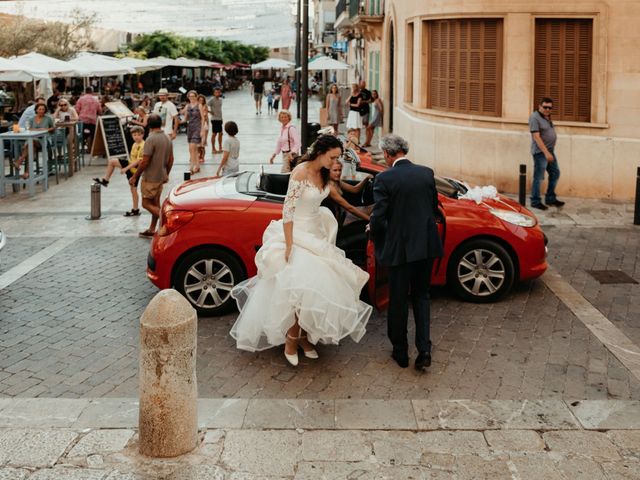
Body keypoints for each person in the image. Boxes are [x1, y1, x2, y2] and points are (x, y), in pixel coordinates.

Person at [230, 135, 372, 366]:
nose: (336, 162)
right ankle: (291, 339)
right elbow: (288, 212)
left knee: (315, 290)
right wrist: (288, 245)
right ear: (321, 152)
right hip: (296, 235)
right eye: (333, 157)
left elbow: (342, 197)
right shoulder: (300, 172)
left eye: (338, 157)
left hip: (317, 234)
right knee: (300, 291)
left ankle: (305, 338)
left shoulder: (326, 174)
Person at [369, 134, 443, 371]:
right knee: (422, 297)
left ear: (389, 155)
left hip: (400, 250)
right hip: (426, 246)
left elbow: (379, 217)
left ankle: (400, 352)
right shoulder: (426, 173)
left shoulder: (384, 178)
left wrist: (375, 233)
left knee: (398, 300)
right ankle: (424, 350)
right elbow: (432, 208)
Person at [129, 114, 174, 238]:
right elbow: (171, 160)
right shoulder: (167, 138)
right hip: (160, 176)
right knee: (155, 203)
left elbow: (145, 161)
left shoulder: (150, 139)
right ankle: (152, 228)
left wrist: (135, 176)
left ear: (149, 125)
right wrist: (166, 174)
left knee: (146, 204)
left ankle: (168, 222)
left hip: (150, 177)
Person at [93, 126, 145, 217]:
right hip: (130, 165)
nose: (136, 137)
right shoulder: (134, 144)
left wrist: (126, 168)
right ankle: (106, 180)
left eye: (138, 135)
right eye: (134, 135)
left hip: (135, 170)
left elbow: (139, 161)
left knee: (133, 190)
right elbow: (132, 158)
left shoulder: (142, 145)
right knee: (112, 162)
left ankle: (135, 209)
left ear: (142, 135)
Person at [529, 97, 564, 210]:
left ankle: (550, 198)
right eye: (545, 107)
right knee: (539, 177)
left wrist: (551, 150)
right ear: (539, 106)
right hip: (540, 152)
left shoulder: (547, 117)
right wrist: (546, 153)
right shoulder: (534, 117)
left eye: (550, 107)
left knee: (555, 173)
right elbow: (536, 137)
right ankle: (535, 201)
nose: (547, 109)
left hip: (549, 151)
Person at [12, 103, 55, 178]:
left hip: (43, 140)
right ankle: (27, 173)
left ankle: (19, 161)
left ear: (45, 111)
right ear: (36, 110)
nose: (41, 111)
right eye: (39, 109)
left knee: (30, 144)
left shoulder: (48, 118)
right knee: (31, 148)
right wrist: (38, 129)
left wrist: (46, 129)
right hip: (32, 140)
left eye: (43, 109)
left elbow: (53, 128)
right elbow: (29, 128)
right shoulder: (31, 119)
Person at [182, 90, 204, 174]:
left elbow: (202, 118)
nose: (192, 98)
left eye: (193, 96)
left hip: (197, 127)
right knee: (192, 148)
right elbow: (185, 118)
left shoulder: (199, 105)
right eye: (190, 96)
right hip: (190, 128)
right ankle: (197, 166)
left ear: (196, 97)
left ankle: (192, 167)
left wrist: (202, 130)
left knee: (192, 147)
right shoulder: (187, 106)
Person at [208, 87, 223, 154]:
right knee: (214, 134)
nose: (217, 93)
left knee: (220, 133)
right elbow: (204, 105)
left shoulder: (220, 99)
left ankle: (220, 147)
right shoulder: (211, 99)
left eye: (218, 92)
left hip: (220, 118)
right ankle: (213, 148)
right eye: (216, 92)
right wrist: (210, 112)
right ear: (214, 93)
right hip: (214, 119)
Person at [197, 94, 209, 162]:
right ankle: (198, 156)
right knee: (198, 143)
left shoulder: (205, 106)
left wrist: (208, 126)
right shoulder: (196, 107)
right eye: (199, 100)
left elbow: (206, 118)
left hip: (204, 126)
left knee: (203, 143)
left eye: (202, 100)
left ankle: (202, 157)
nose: (201, 101)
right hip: (197, 126)